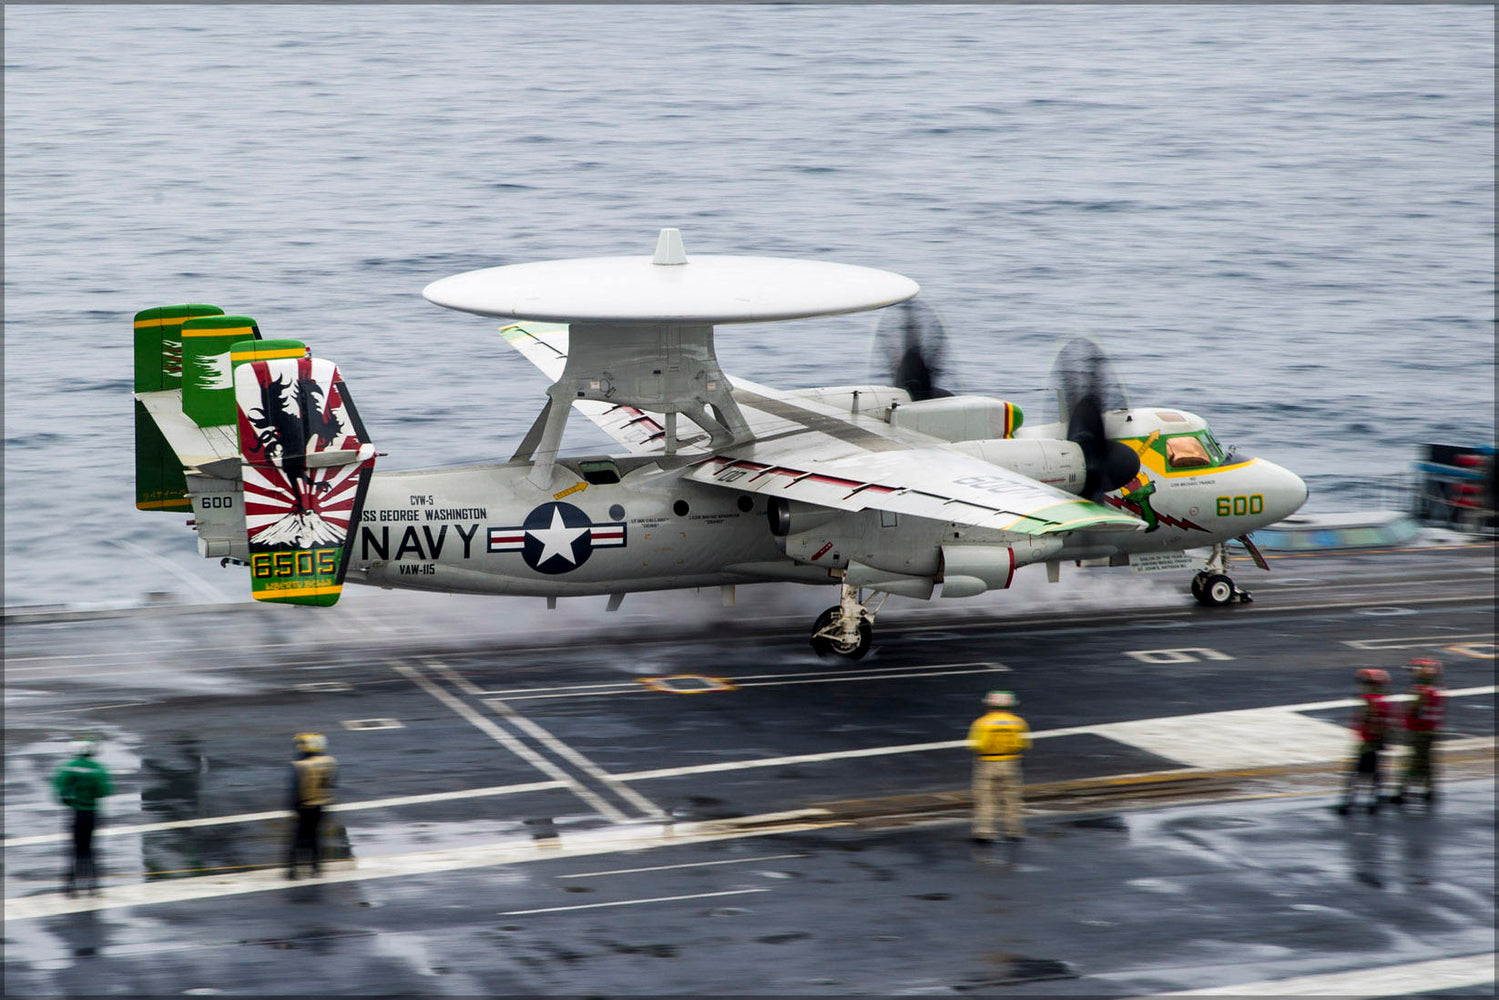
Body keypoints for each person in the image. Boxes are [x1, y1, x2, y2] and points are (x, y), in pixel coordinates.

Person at [52, 736, 114, 896]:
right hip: (91, 812)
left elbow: (60, 789)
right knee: (90, 849)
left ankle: (70, 885)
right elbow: (104, 791)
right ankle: (93, 885)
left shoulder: (69, 767)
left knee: (75, 849)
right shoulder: (98, 768)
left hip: (76, 813)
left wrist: (71, 802)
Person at [968, 691, 1031, 843]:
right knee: (1011, 798)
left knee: (985, 798)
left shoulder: (982, 722)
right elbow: (1025, 744)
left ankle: (984, 832)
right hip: (1011, 762)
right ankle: (1013, 830)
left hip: (987, 763)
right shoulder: (1018, 723)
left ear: (989, 705)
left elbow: (975, 745)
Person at [1391, 658, 1444, 809]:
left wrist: (1403, 715)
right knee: (1426, 762)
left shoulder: (1422, 692)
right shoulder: (1434, 691)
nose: (1414, 673)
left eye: (1417, 670)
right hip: (1429, 731)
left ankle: (1401, 792)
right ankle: (1429, 790)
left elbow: (1414, 710)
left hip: (1419, 732)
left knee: (1413, 762)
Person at [1337, 668, 1391, 816]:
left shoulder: (1370, 701)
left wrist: (1370, 735)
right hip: (1375, 742)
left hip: (1368, 743)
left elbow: (1368, 721)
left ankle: (1348, 803)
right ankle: (1375, 801)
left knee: (1357, 773)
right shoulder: (1381, 701)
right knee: (1374, 773)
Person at [286, 732, 337, 879]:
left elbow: (295, 789)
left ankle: (293, 869)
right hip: (321, 806)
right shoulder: (329, 762)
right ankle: (316, 867)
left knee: (298, 838)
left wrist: (293, 807)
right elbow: (331, 783)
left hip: (304, 806)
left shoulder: (300, 766)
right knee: (315, 837)